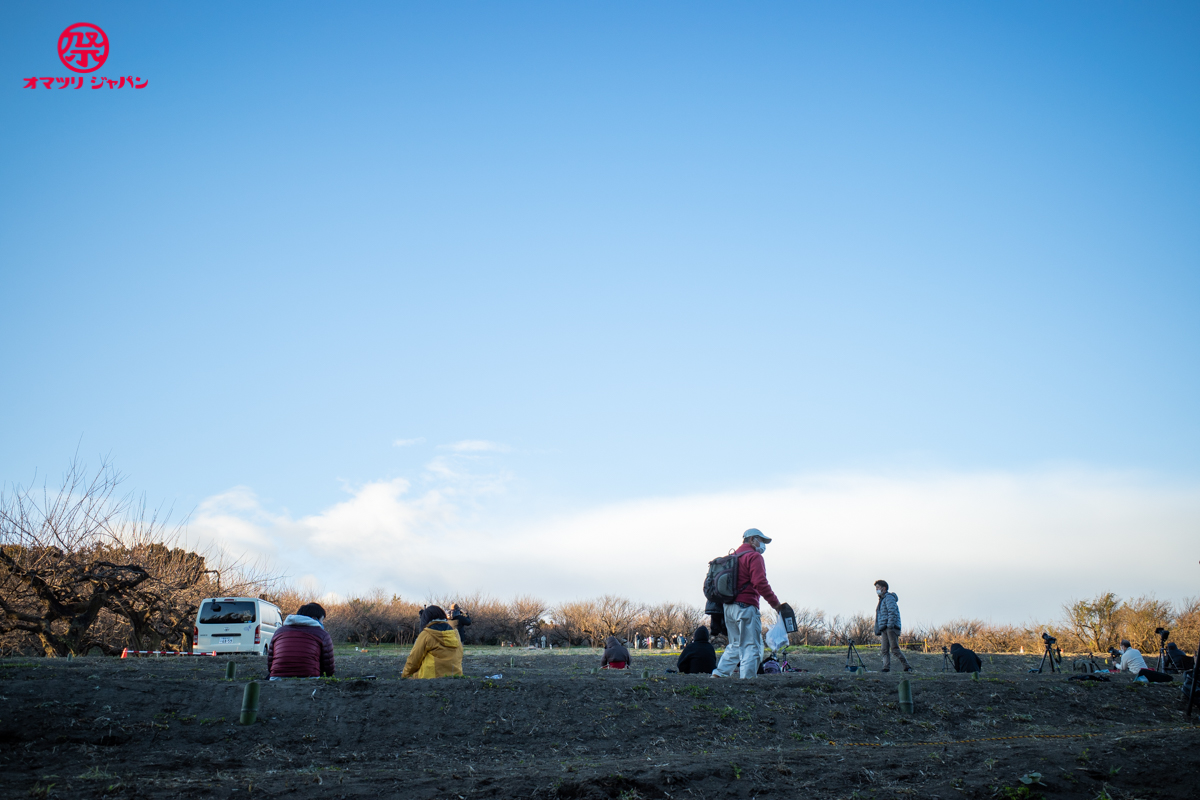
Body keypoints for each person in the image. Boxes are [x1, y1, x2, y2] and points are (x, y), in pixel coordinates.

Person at [713, 528, 782, 679]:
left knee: (735, 645)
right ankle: (748, 681)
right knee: (752, 646)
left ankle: (719, 675)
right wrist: (776, 604)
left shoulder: (731, 557)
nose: (763, 545)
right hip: (746, 606)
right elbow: (760, 583)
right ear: (752, 539)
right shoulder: (754, 556)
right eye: (761, 541)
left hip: (728, 607)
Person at [267, 602, 336, 679]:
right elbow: (328, 668)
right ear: (314, 618)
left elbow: (270, 662)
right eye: (322, 619)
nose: (322, 623)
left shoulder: (278, 632)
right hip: (310, 678)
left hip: (277, 678)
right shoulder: (322, 634)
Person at [402, 606, 464, 679]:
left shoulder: (426, 634)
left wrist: (405, 676)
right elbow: (460, 654)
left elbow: (414, 660)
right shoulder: (456, 634)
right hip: (456, 676)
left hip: (430, 678)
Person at [873, 580, 912, 673]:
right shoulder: (881, 600)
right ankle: (886, 667)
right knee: (884, 649)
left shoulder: (889, 598)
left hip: (890, 628)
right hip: (884, 628)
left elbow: (892, 612)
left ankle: (907, 666)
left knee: (894, 649)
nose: (877, 590)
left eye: (878, 588)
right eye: (876, 588)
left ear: (884, 588)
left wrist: (890, 625)